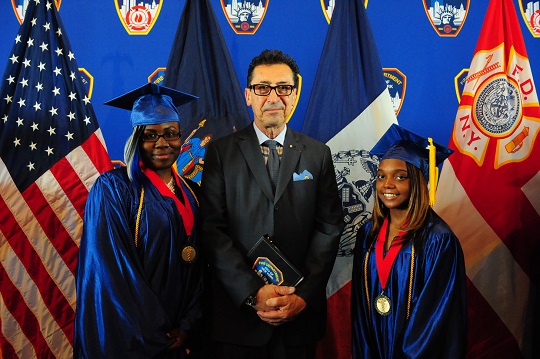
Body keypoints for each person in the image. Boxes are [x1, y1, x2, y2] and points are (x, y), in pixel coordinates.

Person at [200, 49, 345, 358]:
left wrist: (302, 296)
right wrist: (253, 292)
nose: (274, 96)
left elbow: (329, 228)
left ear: (294, 95)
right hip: (239, 321)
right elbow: (212, 230)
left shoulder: (318, 154)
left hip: (299, 318)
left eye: (284, 87)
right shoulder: (220, 154)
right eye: (263, 87)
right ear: (248, 95)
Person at [74, 83, 204, 358]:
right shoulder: (114, 189)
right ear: (136, 139)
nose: (162, 143)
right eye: (150, 135)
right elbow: (112, 272)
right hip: (135, 337)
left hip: (182, 334)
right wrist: (156, 332)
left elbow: (202, 265)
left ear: (181, 138)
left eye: (171, 134)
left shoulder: (194, 193)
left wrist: (187, 325)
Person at [351, 124, 467, 358]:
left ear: (418, 181)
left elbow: (434, 317)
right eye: (381, 176)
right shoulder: (368, 234)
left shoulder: (438, 240)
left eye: (400, 177)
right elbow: (360, 309)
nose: (387, 185)